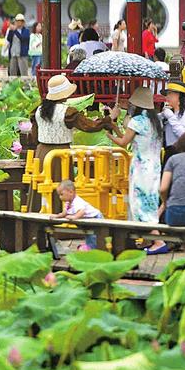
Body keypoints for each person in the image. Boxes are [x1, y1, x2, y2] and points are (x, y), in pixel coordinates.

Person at [28, 74, 113, 211]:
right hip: (61, 154)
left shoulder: (39, 110)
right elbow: (89, 126)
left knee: (42, 183)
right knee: (61, 183)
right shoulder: (67, 112)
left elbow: (34, 135)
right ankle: (60, 212)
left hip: (42, 153)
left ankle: (39, 211)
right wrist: (107, 120)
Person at [107, 86, 166, 253]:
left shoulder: (137, 121)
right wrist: (115, 128)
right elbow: (129, 137)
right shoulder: (156, 120)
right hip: (154, 165)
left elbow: (123, 142)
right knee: (150, 201)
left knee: (140, 203)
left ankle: (158, 241)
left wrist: (109, 134)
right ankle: (148, 240)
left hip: (140, 167)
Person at [51, 179, 103, 250]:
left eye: (61, 194)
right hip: (88, 220)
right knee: (88, 234)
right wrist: (57, 216)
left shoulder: (77, 201)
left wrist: (74, 217)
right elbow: (64, 213)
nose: (60, 197)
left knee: (93, 236)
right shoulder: (68, 203)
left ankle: (93, 248)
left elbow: (82, 211)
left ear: (71, 192)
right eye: (59, 195)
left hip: (96, 217)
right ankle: (90, 247)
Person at [160, 81, 185, 156]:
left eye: (170, 93)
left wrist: (171, 117)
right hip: (169, 151)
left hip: (182, 152)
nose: (167, 97)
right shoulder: (171, 112)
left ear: (180, 96)